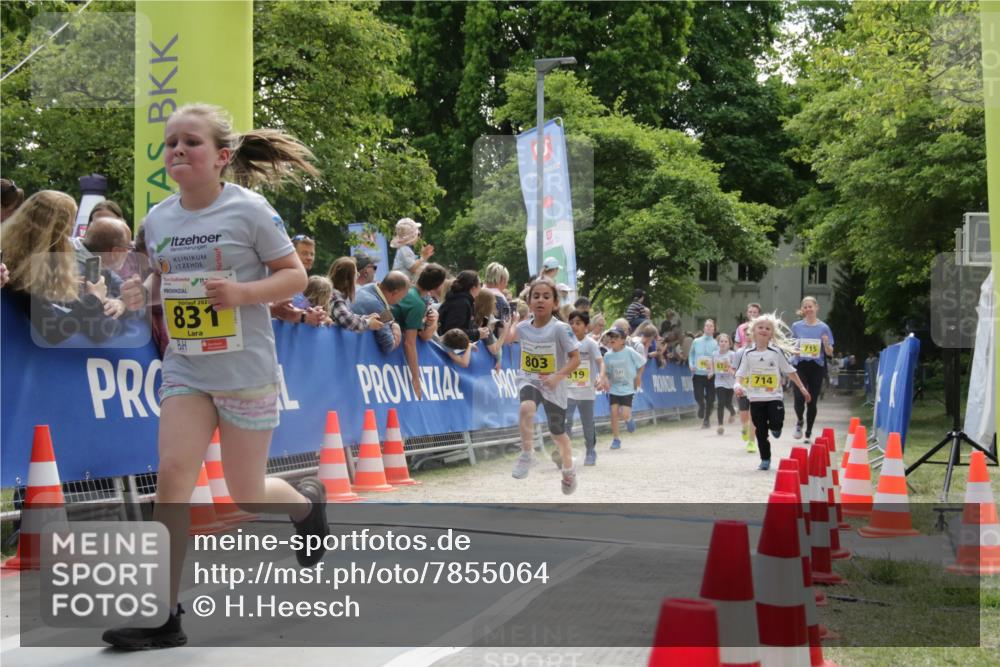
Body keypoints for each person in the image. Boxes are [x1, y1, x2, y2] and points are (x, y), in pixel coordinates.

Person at [108, 103, 328, 649]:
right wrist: (139, 292)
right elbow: (157, 279)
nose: (178, 150)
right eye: (171, 143)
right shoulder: (158, 218)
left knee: (245, 492)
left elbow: (295, 276)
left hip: (245, 369)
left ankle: (306, 504)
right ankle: (162, 613)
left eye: (192, 141)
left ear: (222, 156)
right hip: (186, 367)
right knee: (173, 477)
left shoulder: (249, 210)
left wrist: (241, 293)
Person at [1, 190, 124, 344]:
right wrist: (95, 298)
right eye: (69, 228)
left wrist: (65, 289)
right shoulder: (28, 272)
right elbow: (52, 332)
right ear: (57, 233)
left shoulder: (15, 256)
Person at [509, 277, 581, 494]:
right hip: (529, 379)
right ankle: (527, 454)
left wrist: (557, 376)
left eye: (546, 297)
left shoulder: (560, 329)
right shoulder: (522, 328)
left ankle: (568, 470)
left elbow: (575, 358)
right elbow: (504, 342)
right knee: (526, 407)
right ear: (529, 301)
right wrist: (510, 321)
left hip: (553, 386)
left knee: (557, 434)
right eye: (536, 296)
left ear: (555, 303)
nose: (541, 300)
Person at [734, 313, 812, 470]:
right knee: (761, 432)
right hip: (756, 398)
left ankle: (776, 428)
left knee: (776, 422)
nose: (764, 330)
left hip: (774, 397)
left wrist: (802, 387)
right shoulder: (748, 353)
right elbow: (740, 373)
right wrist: (737, 385)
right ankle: (765, 459)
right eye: (760, 327)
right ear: (753, 331)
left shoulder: (775, 352)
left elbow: (789, 370)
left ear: (772, 333)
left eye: (767, 328)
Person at [391, 262, 446, 400]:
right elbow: (410, 344)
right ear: (437, 286)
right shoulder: (417, 303)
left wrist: (426, 322)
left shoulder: (410, 292)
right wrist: (416, 378)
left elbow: (420, 332)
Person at [563, 310, 605, 466]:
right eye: (571, 323)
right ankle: (565, 454)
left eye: (578, 323)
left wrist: (601, 377)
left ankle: (590, 451)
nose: (574, 326)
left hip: (586, 391)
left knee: (587, 423)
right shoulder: (565, 343)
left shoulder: (590, 344)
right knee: (566, 422)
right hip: (568, 390)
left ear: (586, 327)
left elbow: (600, 362)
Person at [790, 296, 835, 443]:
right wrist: (795, 350)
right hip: (800, 364)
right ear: (802, 309)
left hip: (816, 366)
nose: (808, 309)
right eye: (805, 307)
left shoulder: (824, 327)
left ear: (816, 307)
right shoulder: (796, 326)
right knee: (799, 397)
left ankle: (808, 431)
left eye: (810, 306)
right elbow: (791, 346)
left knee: (812, 401)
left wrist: (826, 344)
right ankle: (799, 421)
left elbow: (830, 353)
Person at [70, 216, 134, 314]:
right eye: (129, 247)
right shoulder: (77, 272)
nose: (129, 252)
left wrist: (122, 303)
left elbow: (134, 295)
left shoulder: (98, 263)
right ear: (116, 252)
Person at [603, 326, 646, 450]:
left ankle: (628, 419)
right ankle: (616, 439)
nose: (612, 339)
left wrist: (638, 376)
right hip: (614, 388)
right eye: (611, 337)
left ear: (623, 340)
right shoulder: (607, 355)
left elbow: (642, 363)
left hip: (628, 388)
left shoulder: (629, 351)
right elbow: (606, 372)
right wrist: (605, 380)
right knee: (614, 414)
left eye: (616, 337)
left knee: (624, 414)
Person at [352, 270, 409, 353]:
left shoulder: (370, 287)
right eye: (402, 296)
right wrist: (396, 332)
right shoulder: (377, 306)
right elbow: (388, 345)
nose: (401, 300)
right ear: (394, 293)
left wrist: (392, 323)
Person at [326, 256, 384, 333]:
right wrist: (368, 323)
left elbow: (349, 315)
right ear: (347, 279)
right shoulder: (335, 297)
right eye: (356, 274)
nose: (358, 275)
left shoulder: (336, 295)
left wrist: (367, 318)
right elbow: (348, 320)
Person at [437, 269, 489, 342]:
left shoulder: (460, 299)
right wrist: (477, 333)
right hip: (448, 345)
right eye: (480, 284)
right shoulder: (461, 303)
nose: (481, 287)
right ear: (473, 287)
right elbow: (454, 331)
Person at [688, 319, 719, 428]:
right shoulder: (696, 341)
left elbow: (718, 359)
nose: (709, 328)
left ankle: (706, 420)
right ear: (704, 328)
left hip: (710, 375)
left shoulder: (716, 343)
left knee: (710, 398)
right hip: (698, 374)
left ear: (714, 329)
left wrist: (713, 370)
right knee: (698, 396)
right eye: (707, 326)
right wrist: (691, 364)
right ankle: (701, 405)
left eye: (711, 326)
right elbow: (691, 354)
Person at [711, 333, 737, 435]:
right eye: (721, 341)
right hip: (719, 382)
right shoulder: (714, 354)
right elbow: (712, 366)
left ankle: (733, 412)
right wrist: (710, 372)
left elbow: (735, 369)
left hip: (730, 382)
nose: (723, 343)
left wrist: (730, 368)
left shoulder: (732, 354)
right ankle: (720, 425)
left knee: (727, 403)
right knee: (721, 402)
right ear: (718, 343)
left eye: (726, 341)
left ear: (729, 344)